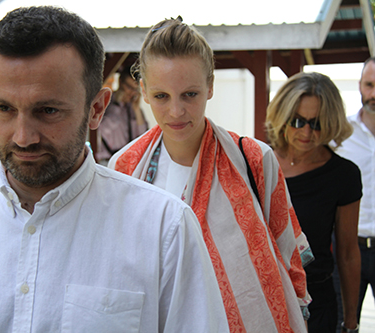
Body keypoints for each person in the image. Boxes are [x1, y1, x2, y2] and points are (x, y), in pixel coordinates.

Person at [0, 7, 230, 332]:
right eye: (3, 109)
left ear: (96, 108)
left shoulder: (164, 231)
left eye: (47, 111)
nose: (23, 136)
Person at [109, 17, 311, 333]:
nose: (176, 111)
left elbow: (289, 262)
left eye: (190, 94)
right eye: (162, 96)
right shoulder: (125, 167)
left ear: (210, 87)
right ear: (144, 92)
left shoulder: (254, 159)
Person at [265, 72, 362, 333]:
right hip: (264, 299)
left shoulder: (344, 175)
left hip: (318, 301)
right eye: (298, 121)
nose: (307, 132)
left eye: (317, 123)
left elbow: (348, 252)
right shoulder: (259, 164)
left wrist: (351, 322)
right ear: (283, 116)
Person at [335, 57, 375, 330]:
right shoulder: (340, 134)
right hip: (349, 248)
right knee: (343, 325)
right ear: (360, 86)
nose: (374, 94)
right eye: (369, 85)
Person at [95, 67, 148, 163]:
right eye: (129, 87)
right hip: (107, 160)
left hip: (128, 161)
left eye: (135, 89)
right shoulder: (107, 102)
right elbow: (103, 130)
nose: (132, 92)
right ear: (120, 82)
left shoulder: (132, 107)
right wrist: (117, 105)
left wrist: (136, 110)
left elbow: (143, 136)